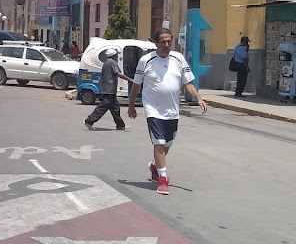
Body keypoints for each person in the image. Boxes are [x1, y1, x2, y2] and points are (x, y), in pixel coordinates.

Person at [128, 28, 208, 195]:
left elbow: (187, 83)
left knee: (167, 144)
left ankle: (154, 165)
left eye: (169, 41)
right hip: (153, 109)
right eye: (163, 42)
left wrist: (199, 98)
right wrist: (131, 105)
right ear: (156, 43)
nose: (166, 45)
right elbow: (136, 85)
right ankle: (163, 180)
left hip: (172, 110)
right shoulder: (146, 60)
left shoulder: (178, 58)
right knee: (159, 143)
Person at [84, 48, 132, 131]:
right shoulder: (112, 63)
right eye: (116, 55)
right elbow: (118, 73)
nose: (117, 56)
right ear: (113, 56)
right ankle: (89, 121)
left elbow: (101, 78)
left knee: (115, 109)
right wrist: (130, 79)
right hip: (109, 90)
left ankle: (120, 125)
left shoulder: (105, 63)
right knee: (102, 107)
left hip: (108, 89)